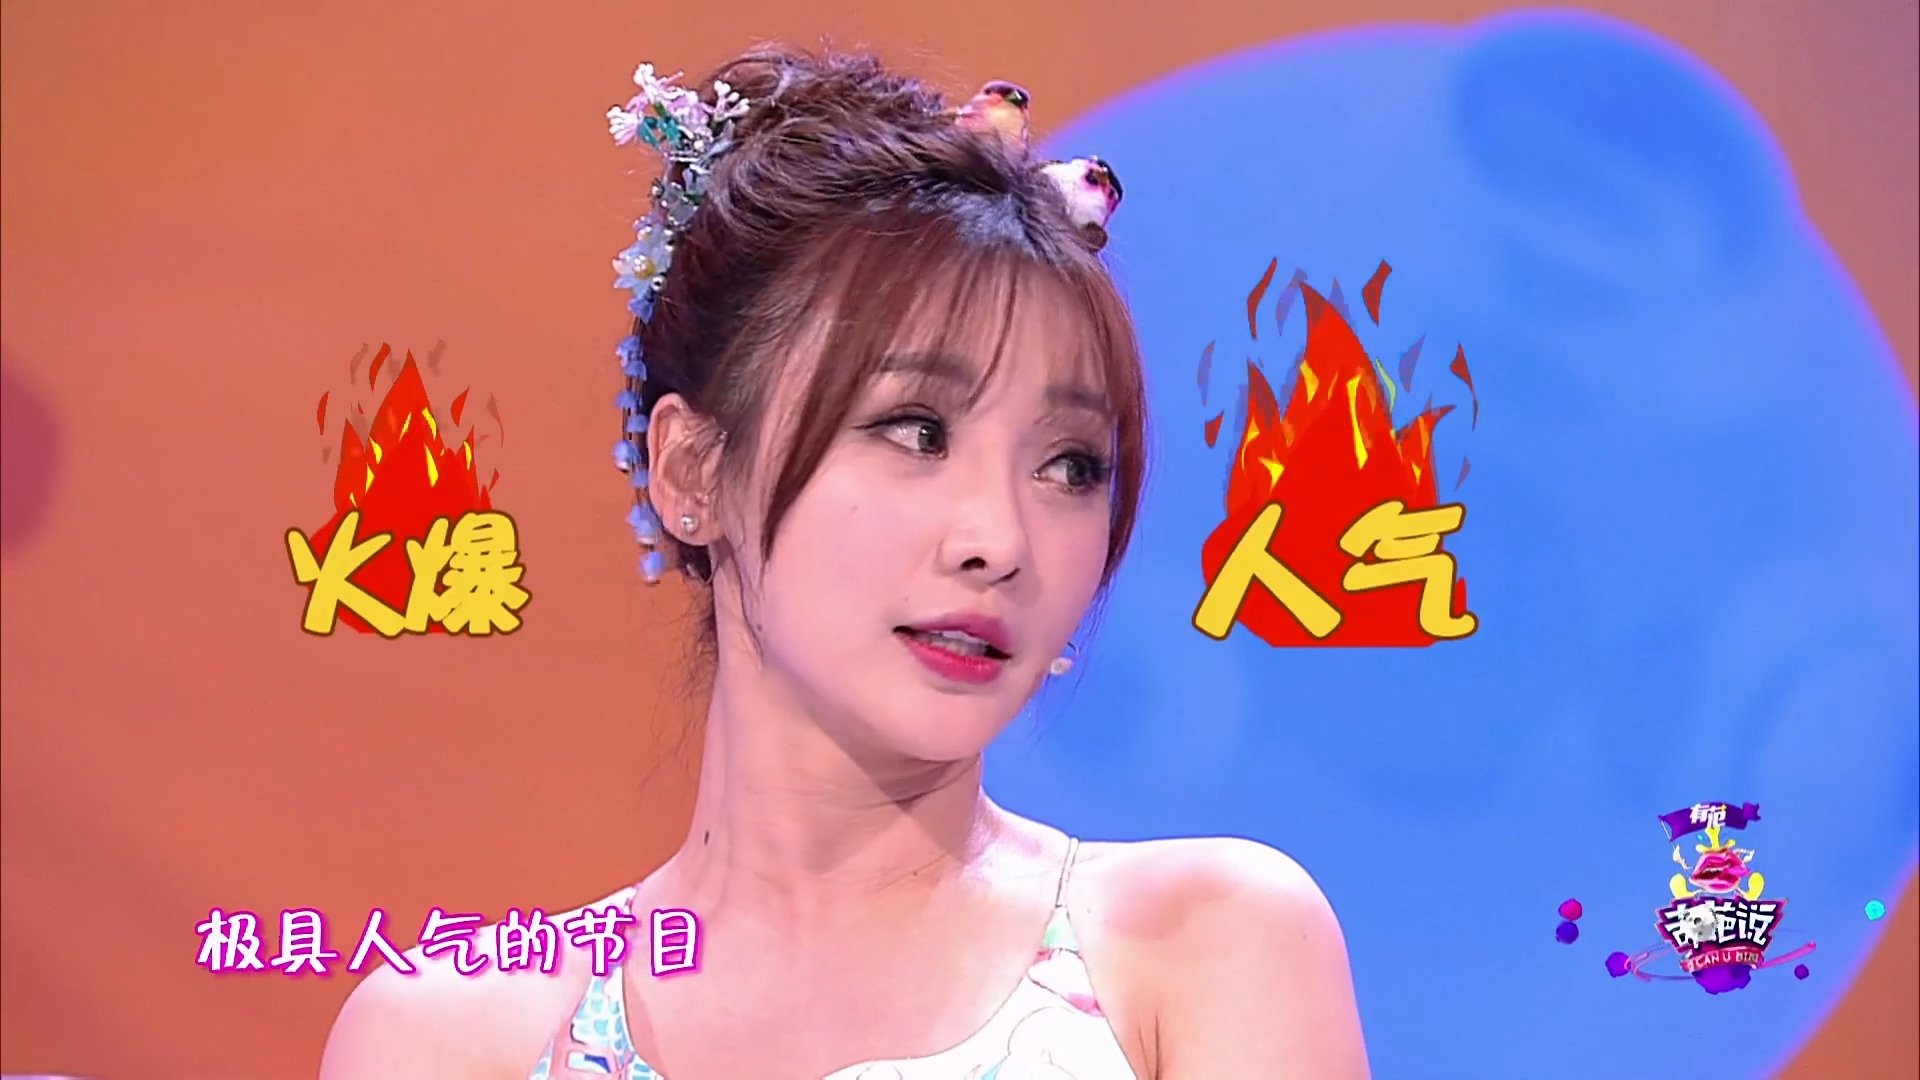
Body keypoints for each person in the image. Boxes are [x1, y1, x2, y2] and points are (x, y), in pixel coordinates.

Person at [320, 43, 1369, 1080]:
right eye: (915, 431)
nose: (1000, 541)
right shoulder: (454, 1040)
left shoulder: (1199, 954)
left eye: (1069, 465)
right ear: (692, 469)